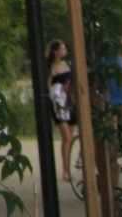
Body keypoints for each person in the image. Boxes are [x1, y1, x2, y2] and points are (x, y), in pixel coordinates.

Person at [47, 39, 75, 182]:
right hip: (58, 103)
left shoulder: (67, 65)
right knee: (67, 137)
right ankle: (65, 169)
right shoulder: (51, 67)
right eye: (62, 49)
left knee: (70, 136)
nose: (64, 51)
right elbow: (49, 85)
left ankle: (68, 166)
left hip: (69, 102)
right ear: (55, 51)